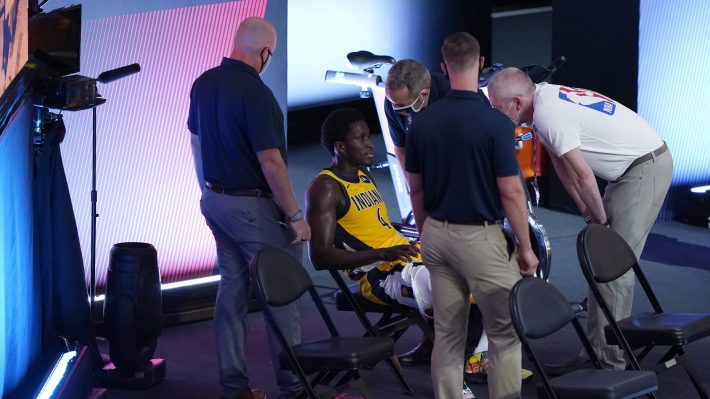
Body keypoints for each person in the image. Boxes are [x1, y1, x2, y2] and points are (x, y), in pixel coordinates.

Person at [486, 67, 673, 373]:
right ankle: (596, 352)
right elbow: (563, 168)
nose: (495, 114)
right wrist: (587, 212)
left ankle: (611, 365)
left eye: (497, 107)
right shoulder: (543, 100)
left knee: (610, 269)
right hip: (629, 171)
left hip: (644, 170)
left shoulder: (549, 115)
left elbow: (584, 173)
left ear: (517, 103)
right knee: (599, 263)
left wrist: (600, 222)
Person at [306, 107, 481, 398]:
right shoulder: (325, 188)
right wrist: (382, 254)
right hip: (380, 278)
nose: (369, 143)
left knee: (490, 275)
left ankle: (465, 359)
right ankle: (453, 379)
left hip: (411, 261)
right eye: (360, 138)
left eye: (368, 136)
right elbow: (320, 256)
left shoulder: (363, 177)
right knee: (456, 290)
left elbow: (380, 227)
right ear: (340, 146)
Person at [406, 32, 538, 399]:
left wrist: (426, 231)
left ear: (444, 68)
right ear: (480, 64)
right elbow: (511, 191)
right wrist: (525, 248)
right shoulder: (496, 123)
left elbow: (415, 189)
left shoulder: (422, 122)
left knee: (448, 334)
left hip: (435, 235)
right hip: (480, 240)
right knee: (505, 333)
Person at [187, 17, 310, 399]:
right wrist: (295, 216)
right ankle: (294, 388)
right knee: (282, 295)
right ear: (265, 53)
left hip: (216, 201)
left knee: (232, 290)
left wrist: (208, 192)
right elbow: (271, 162)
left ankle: (234, 388)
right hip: (252, 209)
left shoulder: (204, 82)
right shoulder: (257, 94)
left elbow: (195, 141)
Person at [384, 59, 494, 378]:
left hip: (470, 189)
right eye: (395, 106)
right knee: (435, 267)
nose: (401, 112)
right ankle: (435, 344)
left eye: (406, 107)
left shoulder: (458, 99)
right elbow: (403, 149)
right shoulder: (397, 102)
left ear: (425, 94)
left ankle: (473, 353)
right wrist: (415, 188)